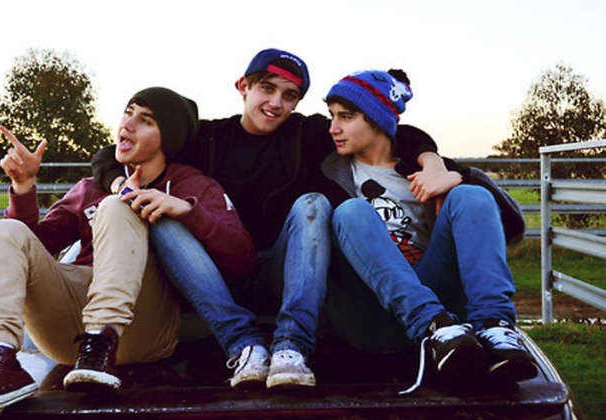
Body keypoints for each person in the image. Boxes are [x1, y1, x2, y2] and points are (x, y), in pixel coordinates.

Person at [92, 49, 449, 389]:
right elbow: (110, 154)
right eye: (266, 88)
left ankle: (292, 345)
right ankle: (242, 345)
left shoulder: (306, 134)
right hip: (215, 270)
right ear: (243, 86)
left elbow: (390, 132)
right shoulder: (207, 137)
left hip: (285, 267)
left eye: (289, 95)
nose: (276, 103)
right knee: (165, 219)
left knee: (313, 203)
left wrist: (431, 161)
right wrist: (120, 184)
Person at [0, 87, 256, 420]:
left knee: (117, 207)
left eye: (145, 120)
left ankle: (103, 337)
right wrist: (23, 187)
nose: (127, 125)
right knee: (3, 231)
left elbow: (243, 257)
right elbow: (34, 248)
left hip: (142, 324)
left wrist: (188, 211)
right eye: (128, 113)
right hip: (71, 336)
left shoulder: (194, 186)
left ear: (170, 138)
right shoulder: (90, 187)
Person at [318, 69, 536, 393]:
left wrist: (457, 177)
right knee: (351, 211)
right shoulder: (326, 170)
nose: (333, 127)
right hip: (370, 310)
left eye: (346, 117)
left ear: (378, 120)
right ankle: (432, 327)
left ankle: (494, 327)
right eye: (332, 116)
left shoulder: (423, 167)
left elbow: (513, 227)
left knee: (471, 195)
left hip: (449, 319)